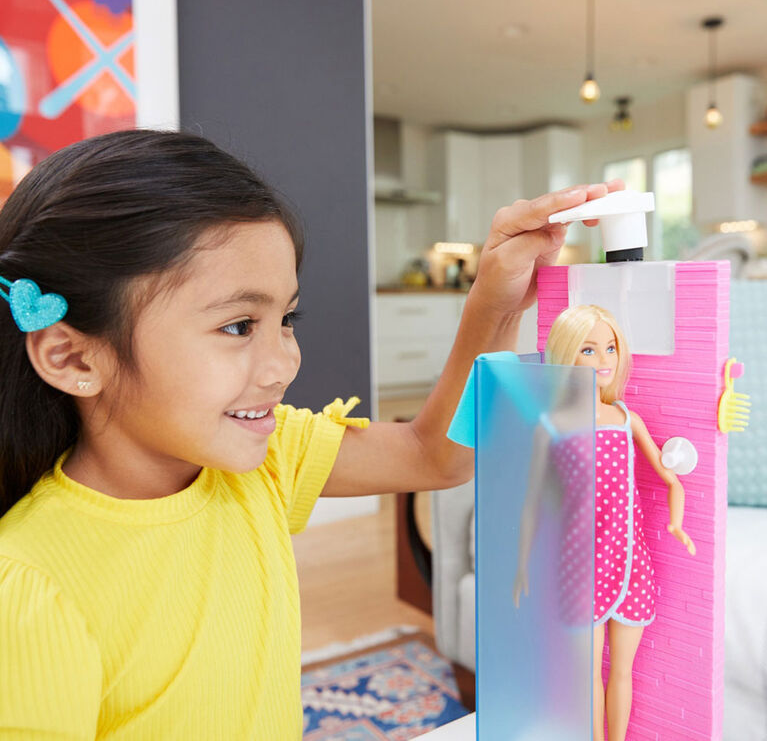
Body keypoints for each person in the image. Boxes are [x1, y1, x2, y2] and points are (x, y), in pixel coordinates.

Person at [0, 128, 621, 739]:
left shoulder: (266, 461)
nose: (284, 364)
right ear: (73, 357)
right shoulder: (28, 588)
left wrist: (495, 302)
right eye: (239, 326)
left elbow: (434, 457)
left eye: (287, 318)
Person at [544, 304, 696, 741]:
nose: (604, 359)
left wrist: (677, 524)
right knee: (588, 673)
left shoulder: (627, 419)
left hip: (632, 560)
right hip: (584, 564)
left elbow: (671, 480)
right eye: (589, 350)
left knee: (622, 672)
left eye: (610, 348)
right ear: (567, 355)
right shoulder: (557, 424)